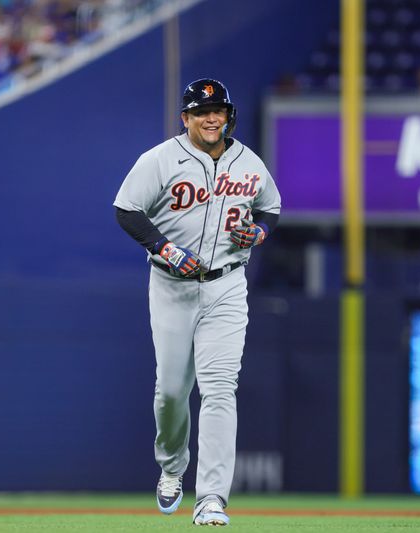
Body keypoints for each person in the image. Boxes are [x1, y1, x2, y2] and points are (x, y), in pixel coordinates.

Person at [113, 78, 281, 526]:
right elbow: (127, 209)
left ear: (228, 116)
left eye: (219, 111)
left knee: (220, 389)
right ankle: (171, 467)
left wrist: (259, 231)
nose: (211, 118)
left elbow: (270, 207)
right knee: (171, 392)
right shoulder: (161, 159)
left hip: (227, 284)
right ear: (185, 117)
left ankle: (212, 498)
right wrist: (164, 247)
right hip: (171, 286)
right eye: (201, 111)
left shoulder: (248, 161)